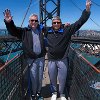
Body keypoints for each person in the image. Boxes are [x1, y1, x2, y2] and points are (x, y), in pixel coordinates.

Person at [46, 0, 91, 100]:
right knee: (52, 79)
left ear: (60, 23)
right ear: (52, 24)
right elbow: (34, 27)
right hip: (51, 60)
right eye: (54, 23)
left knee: (62, 79)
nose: (56, 24)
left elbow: (80, 22)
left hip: (63, 59)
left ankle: (61, 94)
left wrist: (87, 10)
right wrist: (10, 23)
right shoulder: (47, 31)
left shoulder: (67, 30)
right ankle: (54, 93)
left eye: (58, 22)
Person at [3, 9, 46, 100]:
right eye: (32, 20)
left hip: (41, 58)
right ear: (29, 21)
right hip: (32, 59)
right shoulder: (24, 31)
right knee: (34, 78)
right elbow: (13, 31)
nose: (34, 22)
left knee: (40, 77)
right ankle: (34, 94)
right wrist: (9, 22)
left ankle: (38, 92)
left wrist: (63, 25)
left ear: (38, 22)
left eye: (36, 20)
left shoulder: (42, 30)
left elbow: (55, 28)